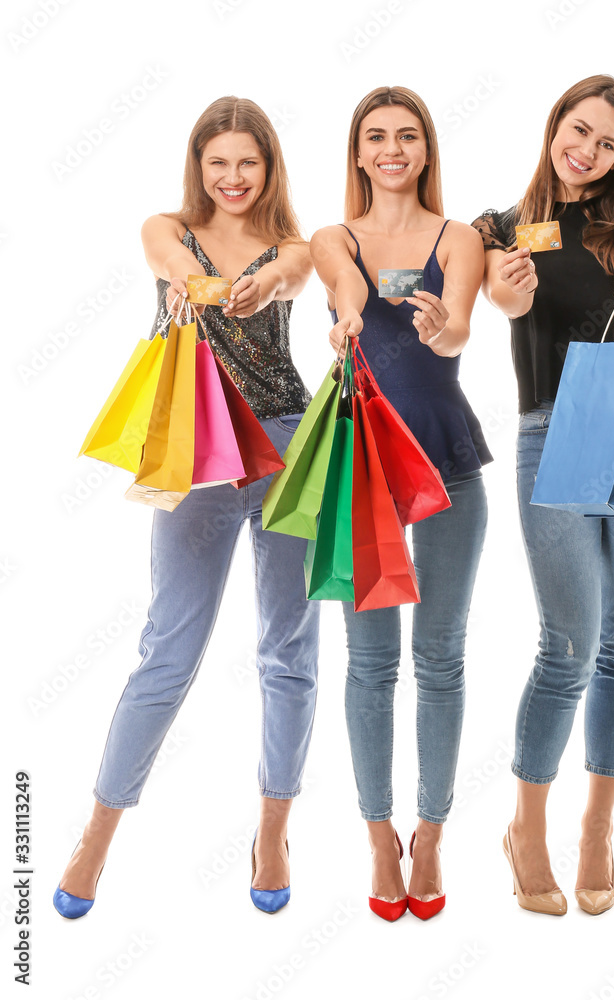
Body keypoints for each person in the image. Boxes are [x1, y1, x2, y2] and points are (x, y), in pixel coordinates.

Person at [53, 96, 319, 918]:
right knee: (167, 653)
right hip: (199, 454)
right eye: (219, 163)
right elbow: (165, 253)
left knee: (289, 649)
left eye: (248, 162)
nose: (233, 177)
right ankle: (96, 833)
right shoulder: (166, 228)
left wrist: (262, 280)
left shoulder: (294, 246)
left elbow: (294, 269)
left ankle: (273, 828)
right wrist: (191, 285)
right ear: (198, 167)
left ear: (268, 167)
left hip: (284, 447)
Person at [472, 74, 614, 916]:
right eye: (578, 130)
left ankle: (595, 830)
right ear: (554, 123)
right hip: (551, 435)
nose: (585, 151)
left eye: (606, 144)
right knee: (568, 647)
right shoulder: (501, 226)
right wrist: (506, 289)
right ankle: (526, 828)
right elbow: (495, 288)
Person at [310, 86, 490, 921]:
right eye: (376, 137)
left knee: (441, 658)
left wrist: (439, 329)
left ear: (425, 150)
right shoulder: (331, 237)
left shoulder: (459, 238)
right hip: (364, 473)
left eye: (407, 136)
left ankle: (432, 830)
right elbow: (344, 287)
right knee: (372, 662)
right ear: (358, 151)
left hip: (446, 464)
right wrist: (350, 317)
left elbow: (457, 327)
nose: (391, 149)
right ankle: (378, 833)